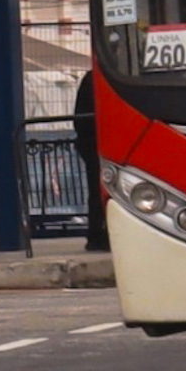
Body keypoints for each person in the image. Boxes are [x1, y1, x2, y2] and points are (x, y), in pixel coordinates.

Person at [74, 70, 107, 251]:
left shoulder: (92, 78)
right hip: (96, 142)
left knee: (96, 190)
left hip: (91, 142)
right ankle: (98, 234)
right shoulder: (97, 79)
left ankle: (97, 235)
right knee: (98, 190)